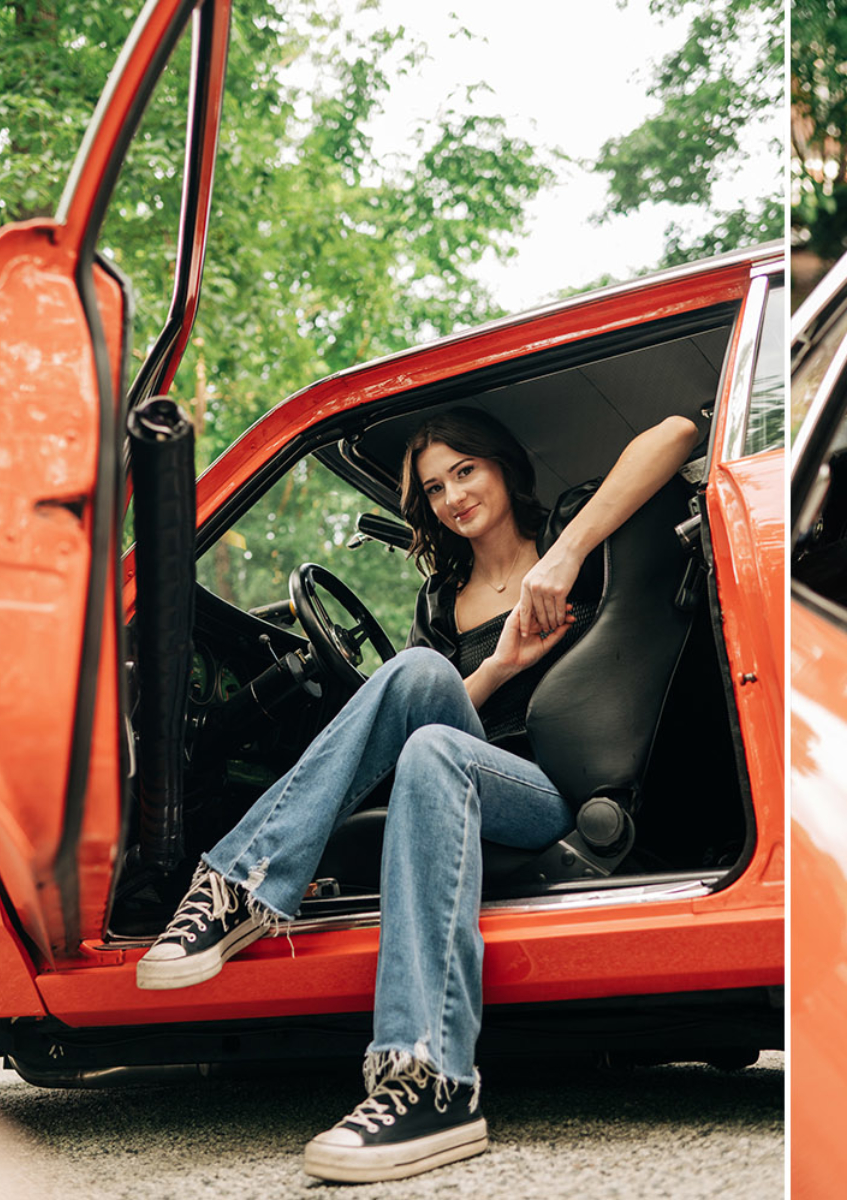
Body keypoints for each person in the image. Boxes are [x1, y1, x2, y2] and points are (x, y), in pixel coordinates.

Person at [133, 406, 700, 1183]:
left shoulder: (575, 548)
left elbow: (677, 433)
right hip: (451, 767)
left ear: (501, 466)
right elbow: (425, 723)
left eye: (466, 471)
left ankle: (242, 883)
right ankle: (420, 1078)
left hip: (538, 790)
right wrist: (500, 664)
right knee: (426, 702)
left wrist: (562, 559)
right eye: (434, 487)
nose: (453, 496)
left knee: (430, 717)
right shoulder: (441, 598)